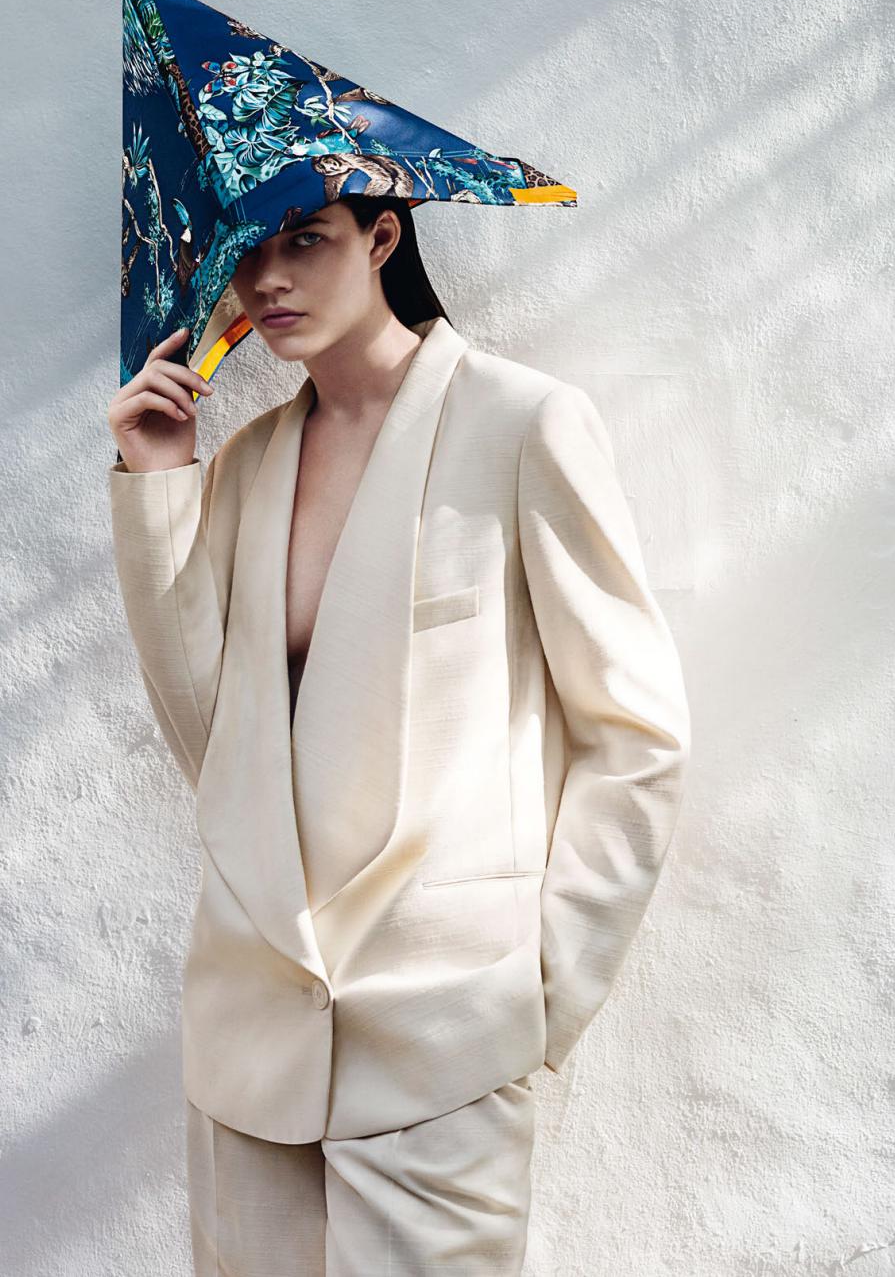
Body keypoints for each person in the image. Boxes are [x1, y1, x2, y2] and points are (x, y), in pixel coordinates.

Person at [106, 191, 692, 1276]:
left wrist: (542, 993)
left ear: (382, 238)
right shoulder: (247, 465)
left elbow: (635, 732)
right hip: (250, 1038)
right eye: (249, 250)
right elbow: (216, 747)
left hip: (444, 1035)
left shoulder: (521, 422)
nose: (269, 279)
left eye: (306, 240)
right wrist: (160, 481)